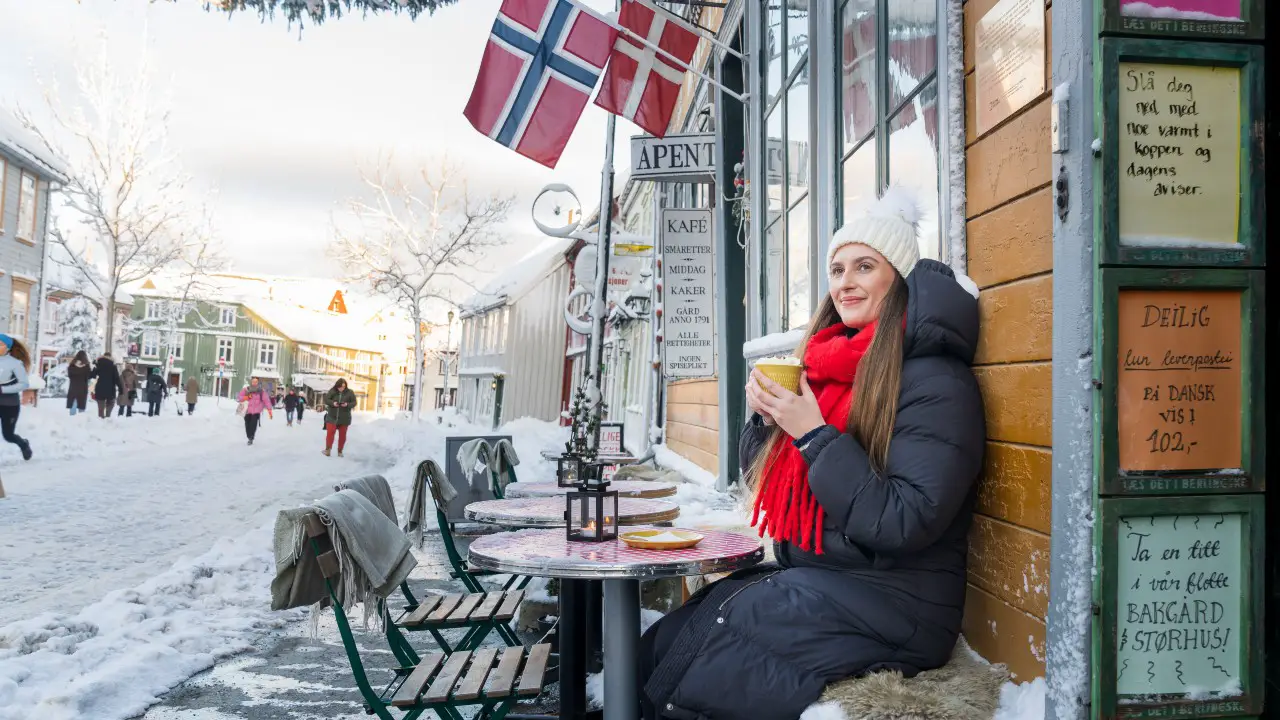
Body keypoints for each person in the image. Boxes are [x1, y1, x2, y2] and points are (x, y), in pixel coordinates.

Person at [636, 188, 985, 720]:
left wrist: (814, 435)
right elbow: (764, 478)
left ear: (900, 280)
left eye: (864, 267)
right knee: (678, 632)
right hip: (828, 574)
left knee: (716, 648)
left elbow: (903, 520)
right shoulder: (826, 365)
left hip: (900, 601)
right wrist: (768, 421)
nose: (845, 282)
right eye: (837, 269)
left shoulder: (935, 380)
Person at [0, 334, 33, 460]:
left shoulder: (15, 363)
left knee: (8, 436)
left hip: (9, 406)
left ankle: (23, 444)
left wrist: (3, 389)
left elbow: (24, 384)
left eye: (0, 344)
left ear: (7, 347)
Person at [322, 378, 356, 457]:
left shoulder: (350, 392)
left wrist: (347, 405)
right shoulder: (332, 391)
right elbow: (326, 399)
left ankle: (340, 451)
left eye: (344, 386)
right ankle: (328, 450)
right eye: (340, 386)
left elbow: (354, 402)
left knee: (342, 435)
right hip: (332, 416)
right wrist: (333, 403)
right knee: (330, 433)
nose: (342, 388)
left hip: (344, 418)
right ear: (337, 386)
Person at [237, 377, 273, 445]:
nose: (254, 383)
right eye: (253, 381)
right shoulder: (246, 389)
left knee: (253, 424)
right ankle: (249, 436)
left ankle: (251, 438)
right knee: (247, 424)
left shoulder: (261, 391)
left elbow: (266, 400)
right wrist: (247, 397)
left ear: (258, 382)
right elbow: (239, 397)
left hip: (256, 411)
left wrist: (269, 410)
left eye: (256, 381)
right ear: (251, 382)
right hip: (247, 411)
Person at [90, 352, 121, 419]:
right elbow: (116, 378)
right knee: (111, 403)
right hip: (110, 389)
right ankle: (107, 416)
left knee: (100, 405)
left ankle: (101, 418)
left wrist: (94, 367)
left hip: (100, 388)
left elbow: (92, 375)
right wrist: (120, 388)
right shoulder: (113, 366)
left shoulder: (98, 364)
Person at [66, 350, 91, 416]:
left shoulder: (72, 365)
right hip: (83, 387)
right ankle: (80, 420)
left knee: (73, 402)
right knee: (81, 403)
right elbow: (89, 376)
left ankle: (72, 418)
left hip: (73, 386)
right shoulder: (86, 366)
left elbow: (69, 375)